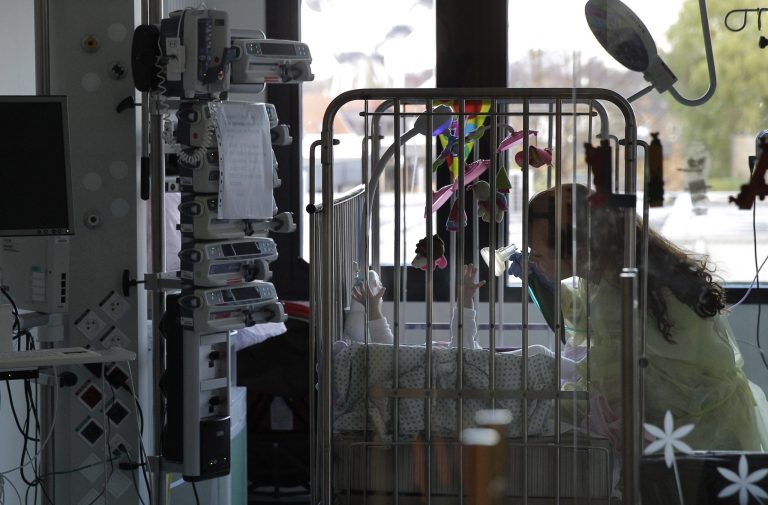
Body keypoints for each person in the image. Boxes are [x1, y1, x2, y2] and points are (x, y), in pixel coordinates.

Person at [511, 183, 768, 451]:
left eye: (537, 253)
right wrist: (549, 287)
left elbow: (609, 391)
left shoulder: (620, 293)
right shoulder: (617, 270)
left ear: (577, 252)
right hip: (707, 422)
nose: (533, 258)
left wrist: (542, 403)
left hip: (695, 439)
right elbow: (590, 320)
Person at [343, 264, 486, 349]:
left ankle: (373, 310)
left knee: (390, 355)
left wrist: (466, 297)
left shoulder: (470, 362)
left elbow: (463, 346)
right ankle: (372, 310)